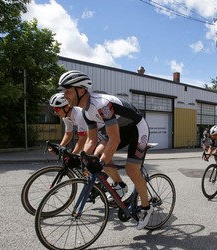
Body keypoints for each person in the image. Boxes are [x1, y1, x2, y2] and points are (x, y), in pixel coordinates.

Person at [59, 70, 152, 230]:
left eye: (67, 91)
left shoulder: (101, 105)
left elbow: (114, 139)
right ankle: (120, 185)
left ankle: (146, 207)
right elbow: (91, 139)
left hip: (137, 128)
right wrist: (78, 157)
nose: (65, 95)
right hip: (120, 129)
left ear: (81, 90)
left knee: (131, 169)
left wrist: (101, 163)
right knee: (95, 156)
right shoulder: (86, 111)